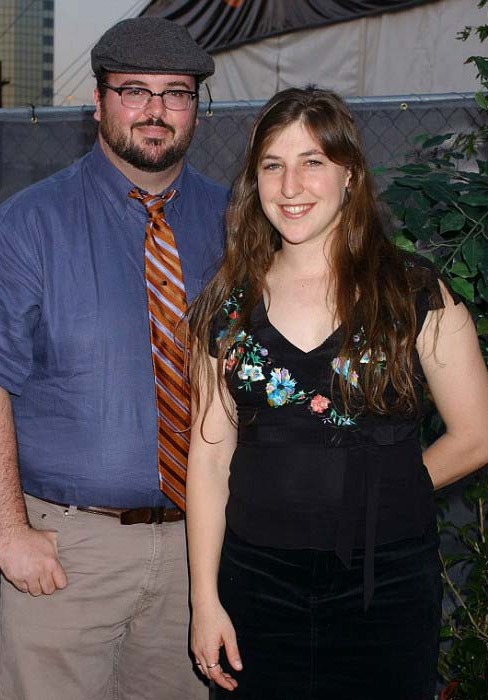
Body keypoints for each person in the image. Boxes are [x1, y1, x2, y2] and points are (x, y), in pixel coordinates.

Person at [0, 16, 227, 700]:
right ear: (98, 103)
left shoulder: (233, 221)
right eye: (134, 90)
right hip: (69, 553)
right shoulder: (29, 223)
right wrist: (10, 532)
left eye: (176, 93)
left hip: (202, 547)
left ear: (195, 109)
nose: (155, 110)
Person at [186, 86, 488, 700]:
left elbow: (477, 435)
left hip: (387, 589)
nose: (291, 185)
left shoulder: (412, 292)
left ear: (349, 175)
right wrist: (204, 601)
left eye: (312, 162)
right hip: (255, 587)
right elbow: (210, 458)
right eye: (273, 165)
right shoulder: (227, 305)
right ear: (254, 182)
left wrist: (377, 492)